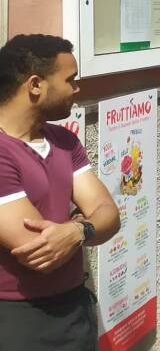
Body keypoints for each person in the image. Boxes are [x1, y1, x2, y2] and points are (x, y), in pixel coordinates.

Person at [0, 35, 120, 351]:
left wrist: (77, 230)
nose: (77, 89)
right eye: (70, 80)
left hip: (74, 311)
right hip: (18, 319)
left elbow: (110, 214)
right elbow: (39, 253)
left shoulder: (64, 141)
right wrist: (85, 227)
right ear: (35, 85)